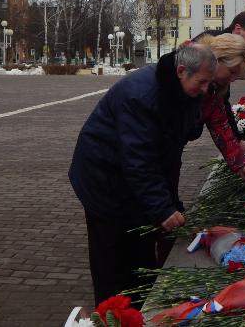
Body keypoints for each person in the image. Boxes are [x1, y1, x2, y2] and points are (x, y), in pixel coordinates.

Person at [68, 44, 217, 306]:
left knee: (141, 252)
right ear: (182, 71)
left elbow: (171, 153)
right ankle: (112, 314)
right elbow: (140, 161)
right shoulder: (142, 96)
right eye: (202, 82)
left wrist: (170, 206)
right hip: (103, 179)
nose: (205, 90)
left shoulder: (183, 92)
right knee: (113, 260)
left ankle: (140, 306)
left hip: (129, 178)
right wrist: (162, 208)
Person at [193, 11, 245, 155]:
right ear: (238, 29)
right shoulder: (210, 45)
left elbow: (221, 103)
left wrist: (236, 141)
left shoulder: (232, 52)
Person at [196, 33, 245, 181]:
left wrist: (240, 166)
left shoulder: (214, 90)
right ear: (218, 59)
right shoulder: (190, 78)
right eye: (232, 72)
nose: (233, 79)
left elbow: (221, 126)